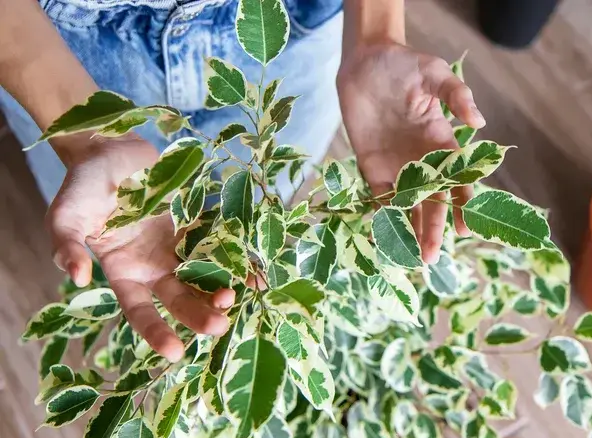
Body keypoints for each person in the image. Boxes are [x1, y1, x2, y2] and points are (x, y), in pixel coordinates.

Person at [0, 0, 486, 361]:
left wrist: (377, 32)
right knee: (124, 237)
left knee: (255, 213)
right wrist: (88, 138)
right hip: (60, 51)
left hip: (289, 28)